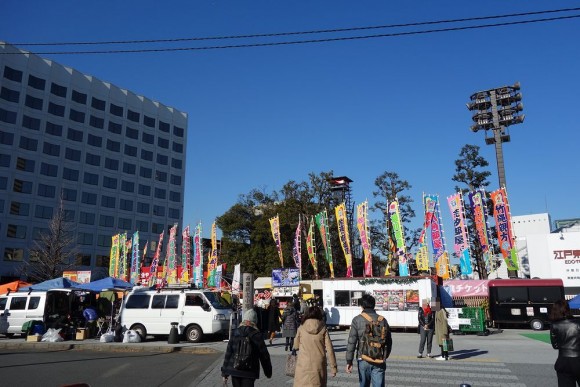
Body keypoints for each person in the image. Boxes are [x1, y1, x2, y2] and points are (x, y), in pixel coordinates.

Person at [345, 294, 392, 387]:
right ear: (374, 305)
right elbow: (389, 341)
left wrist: (349, 361)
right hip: (379, 358)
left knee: (364, 384)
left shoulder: (357, 320)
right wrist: (385, 356)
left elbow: (352, 342)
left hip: (363, 358)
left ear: (362, 306)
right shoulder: (382, 320)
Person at [222, 309, 273, 387]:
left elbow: (228, 353)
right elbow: (264, 355)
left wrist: (224, 372)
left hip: (234, 370)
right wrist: (268, 371)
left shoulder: (235, 332)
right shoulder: (257, 335)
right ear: (255, 320)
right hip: (250, 371)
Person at [293, 306, 337, 387]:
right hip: (318, 364)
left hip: (303, 363)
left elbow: (295, 345)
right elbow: (330, 349)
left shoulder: (301, 327)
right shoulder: (323, 328)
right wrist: (333, 367)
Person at [549, 299, 580, 386]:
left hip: (563, 361)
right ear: (568, 309)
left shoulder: (554, 325)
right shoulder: (578, 322)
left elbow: (555, 345)